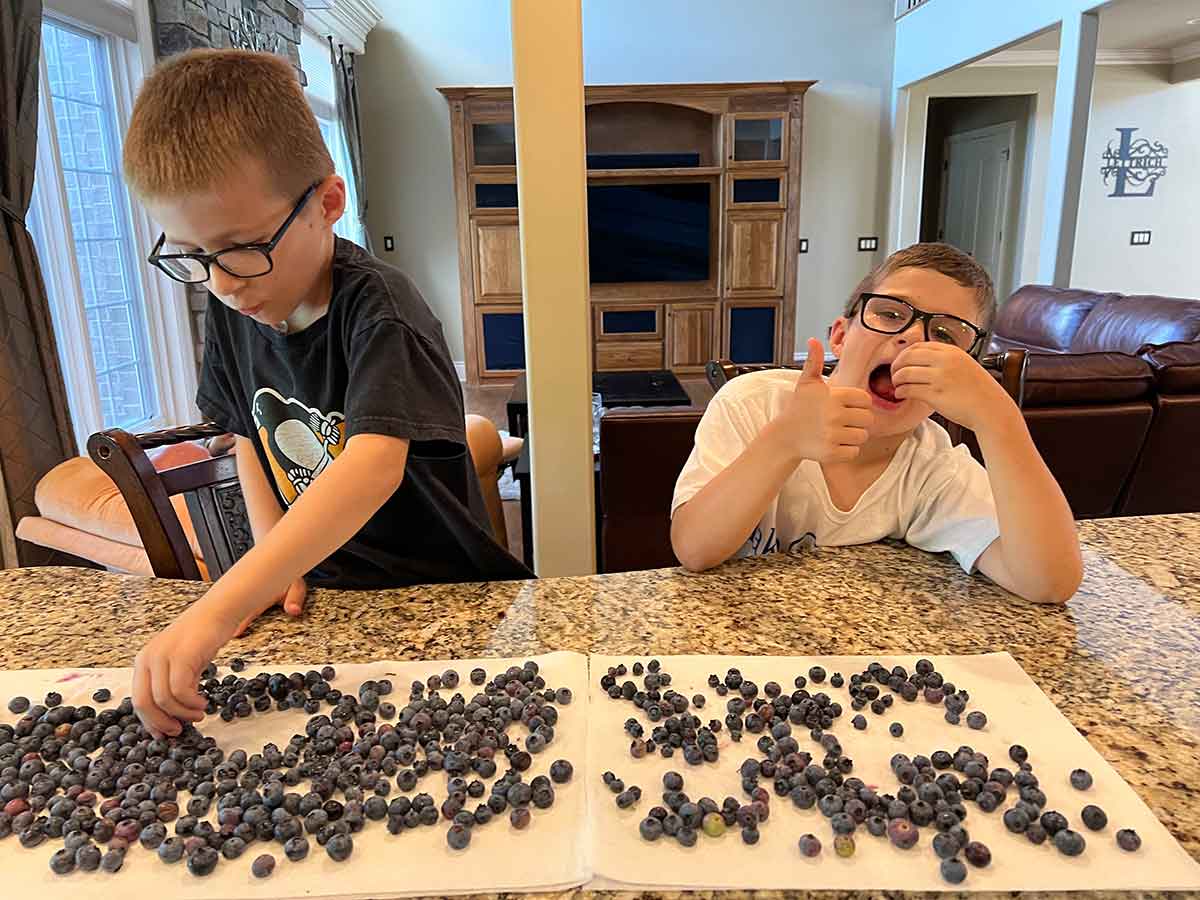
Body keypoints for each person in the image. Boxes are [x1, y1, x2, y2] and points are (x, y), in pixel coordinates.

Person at [121, 49, 528, 737]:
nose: (221, 281)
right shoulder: (233, 301)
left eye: (242, 247)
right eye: (192, 255)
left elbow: (372, 467)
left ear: (328, 204)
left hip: (443, 597)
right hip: (330, 596)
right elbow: (245, 434)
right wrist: (273, 558)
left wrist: (217, 607)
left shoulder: (381, 311)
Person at [670, 243, 1082, 604]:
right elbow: (694, 548)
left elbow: (1047, 582)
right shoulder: (755, 403)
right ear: (840, 336)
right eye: (890, 313)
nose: (913, 339)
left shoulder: (931, 466)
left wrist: (999, 419)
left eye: (944, 334)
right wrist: (784, 441)